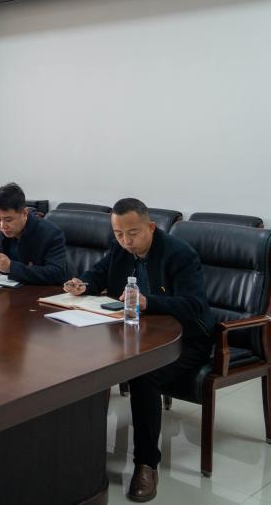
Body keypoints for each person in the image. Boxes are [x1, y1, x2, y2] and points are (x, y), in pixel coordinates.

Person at [63, 198, 212, 502]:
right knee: (83, 358)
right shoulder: (120, 249)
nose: (126, 241)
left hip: (186, 340)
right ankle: (78, 452)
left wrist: (148, 302)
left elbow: (195, 306)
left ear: (151, 227)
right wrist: (84, 284)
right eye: (119, 234)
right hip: (137, 335)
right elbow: (99, 274)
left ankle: (146, 465)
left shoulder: (180, 254)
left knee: (144, 376)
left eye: (133, 233)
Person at [0, 182, 67, 285]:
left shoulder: (50, 234)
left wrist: (11, 267)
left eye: (8, 220)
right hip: (2, 293)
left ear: (24, 213)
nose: (2, 225)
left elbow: (57, 274)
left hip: (36, 294)